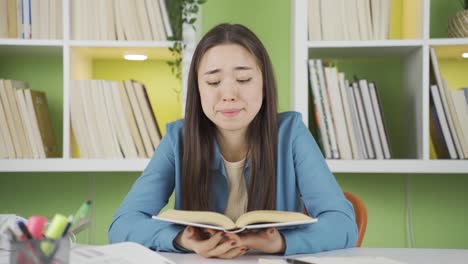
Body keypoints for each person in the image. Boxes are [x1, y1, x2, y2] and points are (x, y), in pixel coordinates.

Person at [108, 23, 357, 259]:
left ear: (264, 84)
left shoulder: (291, 134)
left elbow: (343, 224)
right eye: (213, 82)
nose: (228, 95)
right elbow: (122, 224)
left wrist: (279, 242)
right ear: (198, 89)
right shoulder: (179, 139)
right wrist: (183, 240)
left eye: (244, 80)